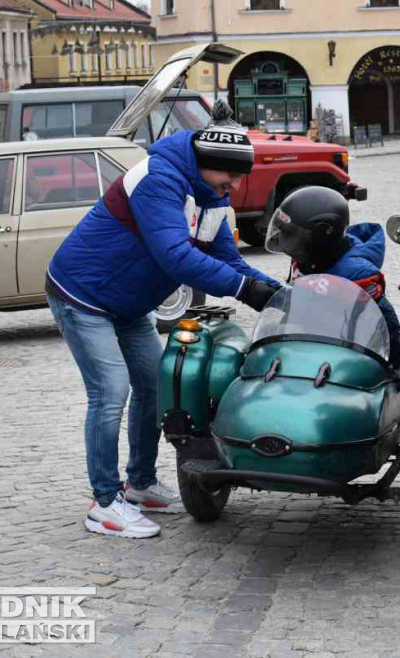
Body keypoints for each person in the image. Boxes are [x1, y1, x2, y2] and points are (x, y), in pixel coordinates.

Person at [46, 123, 280, 538]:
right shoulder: (158, 179)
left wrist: (279, 293)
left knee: (156, 387)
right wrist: (246, 290)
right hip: (83, 294)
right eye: (231, 174)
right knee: (110, 392)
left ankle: (140, 485)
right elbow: (175, 256)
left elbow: (233, 263)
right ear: (207, 164)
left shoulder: (211, 199)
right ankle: (103, 503)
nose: (235, 184)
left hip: (129, 304)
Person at [265, 186, 400, 369]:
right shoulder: (307, 258)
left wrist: (392, 366)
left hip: (347, 358)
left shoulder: (357, 273)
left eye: (294, 236)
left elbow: (386, 321)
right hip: (306, 350)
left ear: (322, 235)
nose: (287, 243)